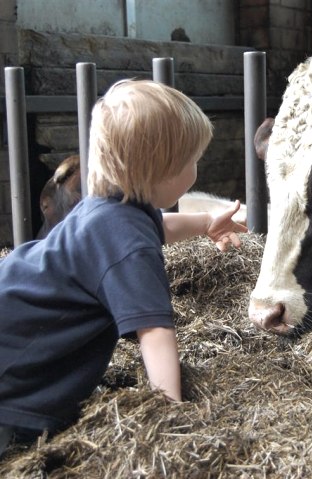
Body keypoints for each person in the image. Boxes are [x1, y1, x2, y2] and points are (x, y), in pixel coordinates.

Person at [0, 79, 247, 457]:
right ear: (161, 170)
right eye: (192, 160)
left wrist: (205, 222)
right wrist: (172, 413)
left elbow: (158, 227)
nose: (196, 166)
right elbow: (155, 331)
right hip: (16, 373)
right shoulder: (126, 242)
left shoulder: (110, 209)